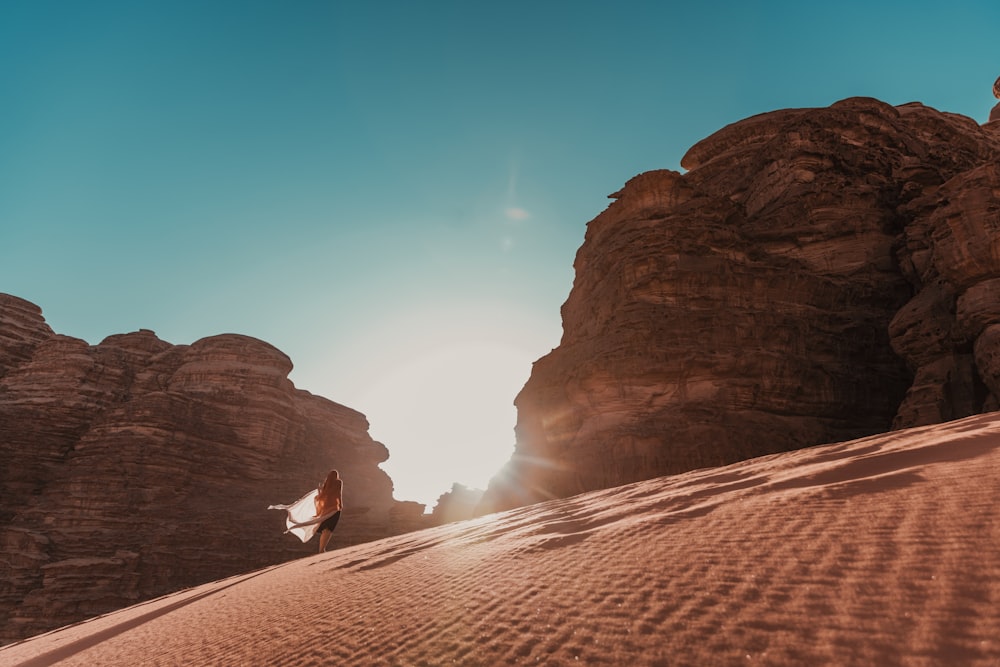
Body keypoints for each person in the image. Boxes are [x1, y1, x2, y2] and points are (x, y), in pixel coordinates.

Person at [314, 469, 343, 553]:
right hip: (334, 508)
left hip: (325, 509)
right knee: (329, 529)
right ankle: (322, 549)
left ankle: (321, 549)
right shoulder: (339, 482)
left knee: (325, 529)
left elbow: (322, 496)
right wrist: (341, 504)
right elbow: (339, 494)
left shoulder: (327, 484)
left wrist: (319, 489)